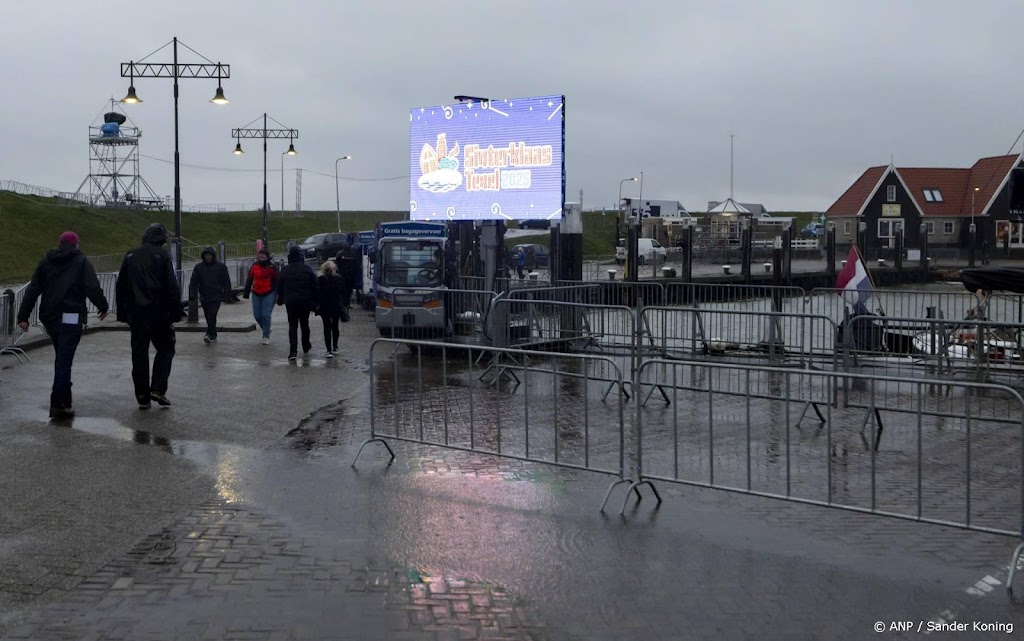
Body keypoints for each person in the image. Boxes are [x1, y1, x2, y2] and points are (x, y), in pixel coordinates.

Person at [16, 231, 109, 419]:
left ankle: (66, 399)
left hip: (50, 317)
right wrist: (103, 306)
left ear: (60, 244)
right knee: (64, 361)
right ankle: (58, 404)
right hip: (71, 316)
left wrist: (23, 316)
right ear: (75, 245)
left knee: (62, 357)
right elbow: (92, 286)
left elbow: (33, 289)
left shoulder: (46, 262)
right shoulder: (81, 262)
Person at [116, 223, 182, 409]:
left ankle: (142, 395)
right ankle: (158, 388)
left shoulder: (130, 255)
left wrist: (123, 313)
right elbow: (171, 286)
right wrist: (176, 312)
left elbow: (121, 286)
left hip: (137, 313)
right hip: (159, 311)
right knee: (166, 348)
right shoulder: (162, 256)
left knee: (139, 353)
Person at [276, 246, 318, 360]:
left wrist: (280, 299)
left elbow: (279, 285)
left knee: (292, 326)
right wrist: (315, 301)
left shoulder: (285, 269)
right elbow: (314, 285)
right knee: (305, 324)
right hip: (305, 301)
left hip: (291, 301)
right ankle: (306, 345)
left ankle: (293, 351)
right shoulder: (307, 269)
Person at [188, 246, 232, 344]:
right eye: (206, 255)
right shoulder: (199, 267)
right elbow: (193, 282)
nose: (208, 257)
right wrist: (192, 294)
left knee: (212, 315)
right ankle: (213, 334)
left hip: (216, 296)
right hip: (204, 295)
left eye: (210, 255)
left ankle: (209, 334)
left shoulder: (221, 267)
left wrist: (227, 294)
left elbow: (226, 282)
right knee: (208, 316)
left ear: (213, 256)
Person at [242, 248, 279, 345]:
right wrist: (246, 293)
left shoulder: (272, 267)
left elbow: (277, 280)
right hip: (256, 293)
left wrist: (278, 294)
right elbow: (249, 279)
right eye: (259, 257)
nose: (261, 258)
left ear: (267, 257)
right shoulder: (254, 266)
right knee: (257, 315)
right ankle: (266, 328)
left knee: (266, 315)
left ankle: (265, 336)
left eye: (263, 257)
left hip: (269, 293)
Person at [316, 260, 345, 357]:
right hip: (336, 305)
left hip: (324, 306)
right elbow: (342, 291)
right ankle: (335, 347)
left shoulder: (320, 279)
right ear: (334, 269)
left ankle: (328, 350)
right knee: (335, 326)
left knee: (326, 328)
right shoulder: (338, 279)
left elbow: (317, 293)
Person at [335, 242, 358, 309]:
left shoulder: (339, 254)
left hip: (342, 276)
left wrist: (338, 272)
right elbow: (356, 265)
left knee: (342, 290)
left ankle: (342, 304)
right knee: (349, 290)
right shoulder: (353, 254)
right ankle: (347, 304)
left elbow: (337, 264)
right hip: (350, 276)